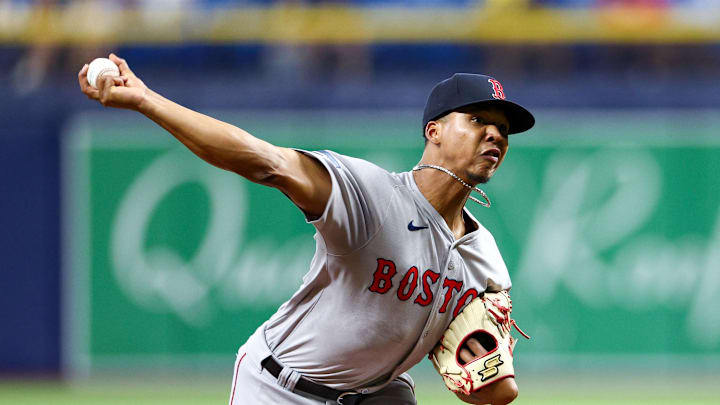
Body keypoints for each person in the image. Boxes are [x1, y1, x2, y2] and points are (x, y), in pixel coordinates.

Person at [78, 54, 535, 405]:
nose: (495, 135)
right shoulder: (373, 198)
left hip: (377, 394)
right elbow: (264, 161)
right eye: (478, 120)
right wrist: (145, 100)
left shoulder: (484, 257)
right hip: (280, 388)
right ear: (433, 130)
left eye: (503, 129)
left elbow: (492, 394)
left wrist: (489, 375)